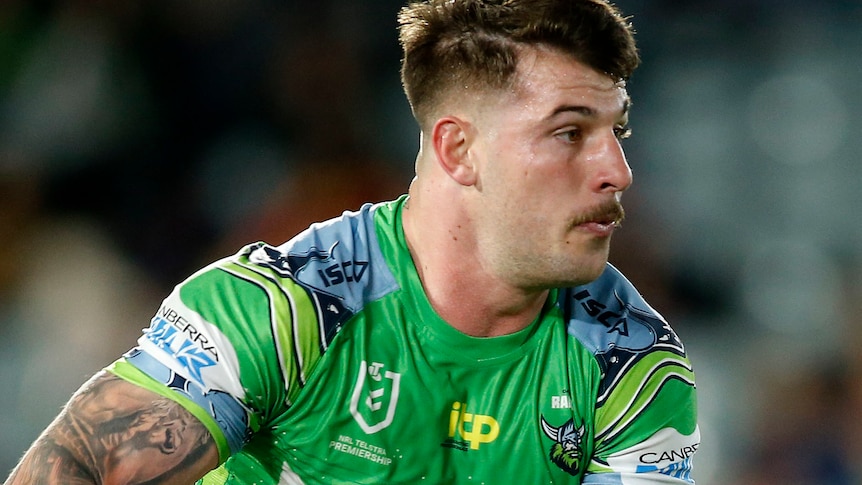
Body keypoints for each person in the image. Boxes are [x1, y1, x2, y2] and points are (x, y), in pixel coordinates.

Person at [4, 0, 700, 483]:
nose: (617, 170)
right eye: (570, 132)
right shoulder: (282, 311)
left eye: (619, 131)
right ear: (460, 150)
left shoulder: (631, 369)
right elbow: (79, 469)